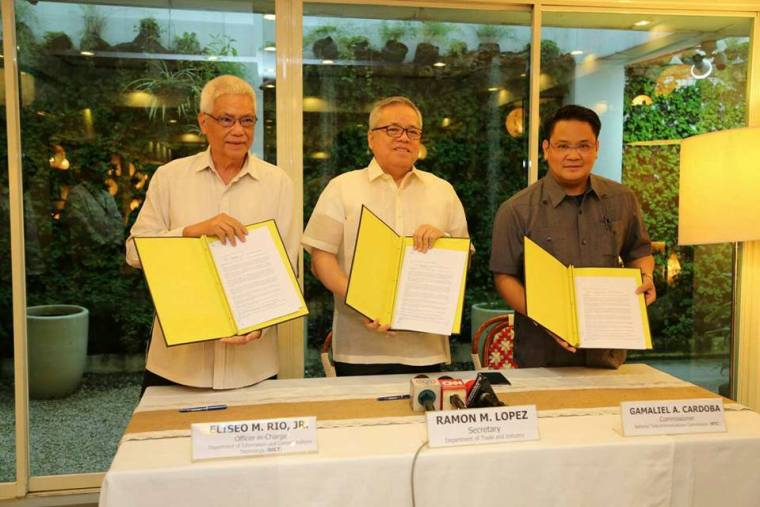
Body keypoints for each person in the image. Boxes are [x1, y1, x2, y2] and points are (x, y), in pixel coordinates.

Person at [126, 75, 296, 391]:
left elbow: (287, 268)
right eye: (227, 119)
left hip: (252, 366)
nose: (238, 130)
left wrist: (260, 326)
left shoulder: (278, 184)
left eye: (247, 120)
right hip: (177, 363)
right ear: (204, 123)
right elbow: (135, 252)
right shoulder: (170, 177)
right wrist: (190, 232)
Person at [303, 96, 470, 376]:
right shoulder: (342, 188)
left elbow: (464, 262)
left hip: (425, 348)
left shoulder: (443, 191)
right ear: (371, 138)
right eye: (392, 129)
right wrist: (364, 302)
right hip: (358, 348)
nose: (403, 138)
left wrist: (444, 244)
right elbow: (321, 259)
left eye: (412, 131)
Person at [489, 104, 655, 368]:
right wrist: (545, 317)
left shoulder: (622, 199)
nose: (573, 155)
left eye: (584, 146)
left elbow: (639, 252)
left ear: (596, 148)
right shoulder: (516, 210)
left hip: (608, 352)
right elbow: (504, 276)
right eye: (563, 146)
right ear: (546, 149)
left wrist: (646, 277)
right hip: (541, 356)